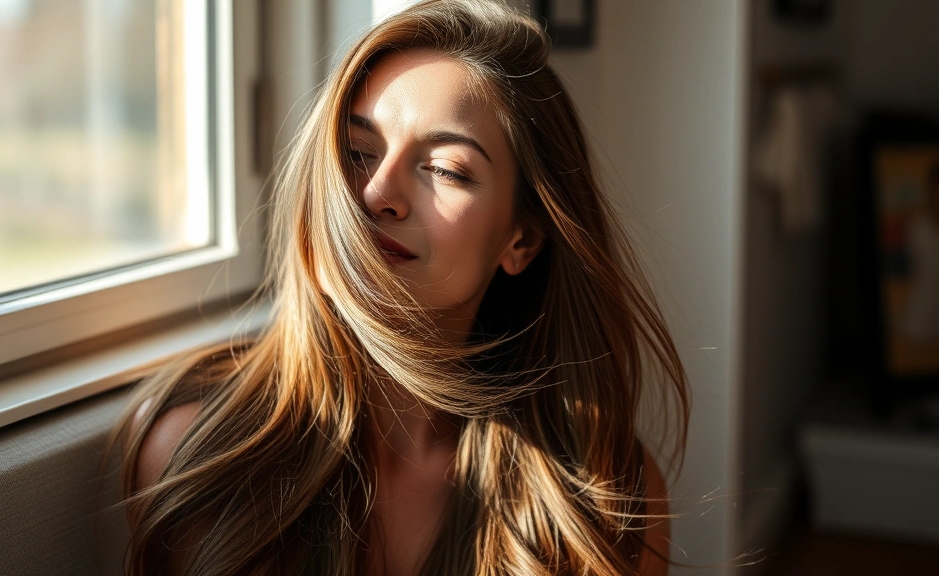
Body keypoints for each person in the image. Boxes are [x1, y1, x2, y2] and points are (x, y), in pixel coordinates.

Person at [113, 1, 689, 574]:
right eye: (358, 152)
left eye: (445, 169)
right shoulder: (197, 456)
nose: (376, 193)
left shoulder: (608, 499)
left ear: (522, 241)